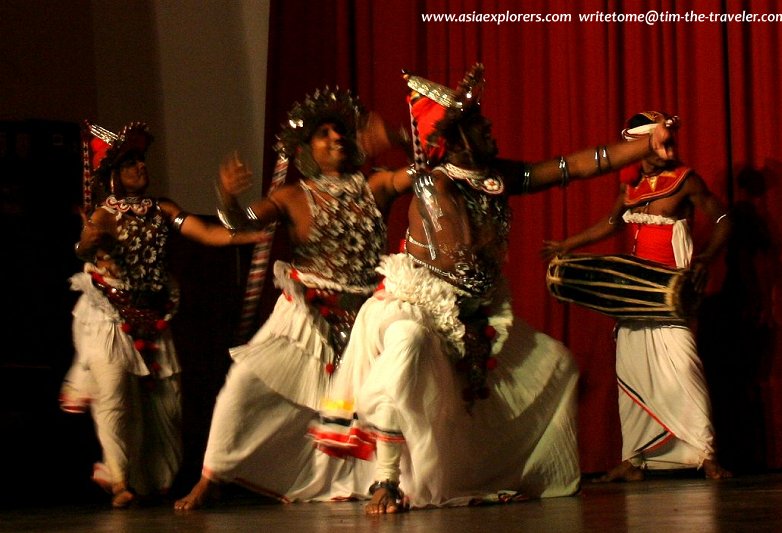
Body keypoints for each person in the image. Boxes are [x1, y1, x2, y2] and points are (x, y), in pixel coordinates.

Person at [308, 64, 678, 514]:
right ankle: (385, 481)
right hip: (416, 304)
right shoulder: (432, 182)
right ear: (459, 138)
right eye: (479, 124)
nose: (489, 128)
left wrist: (645, 143)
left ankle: (514, 474)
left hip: (472, 312)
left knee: (558, 365)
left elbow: (576, 166)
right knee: (405, 352)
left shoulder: (496, 176)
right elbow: (447, 227)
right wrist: (406, 139)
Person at [174, 87, 413, 510]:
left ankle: (385, 481)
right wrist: (227, 196)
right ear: (306, 149)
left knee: (377, 400)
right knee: (240, 389)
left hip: (366, 316)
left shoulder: (376, 184)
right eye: (323, 134)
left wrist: (395, 136)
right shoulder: (290, 196)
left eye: (341, 132)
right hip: (306, 313)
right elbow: (238, 222)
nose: (335, 138)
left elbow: (425, 172)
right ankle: (210, 477)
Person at [60, 121, 267, 508]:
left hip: (153, 316)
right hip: (109, 316)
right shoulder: (105, 215)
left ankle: (154, 480)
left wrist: (245, 237)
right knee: (114, 396)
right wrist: (90, 239)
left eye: (141, 160)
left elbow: (205, 234)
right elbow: (85, 248)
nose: (141, 167)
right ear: (114, 176)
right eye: (130, 163)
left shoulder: (163, 209)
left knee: (168, 406)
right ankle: (119, 480)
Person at [541, 111, 733, 482]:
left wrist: (706, 257)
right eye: (665, 141)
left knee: (684, 369)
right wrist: (568, 243)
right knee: (631, 374)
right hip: (633, 295)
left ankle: (705, 454)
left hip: (670, 293)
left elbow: (724, 219)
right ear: (640, 147)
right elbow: (612, 223)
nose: (671, 147)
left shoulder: (685, 181)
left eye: (672, 140)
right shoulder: (630, 187)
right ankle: (636, 458)